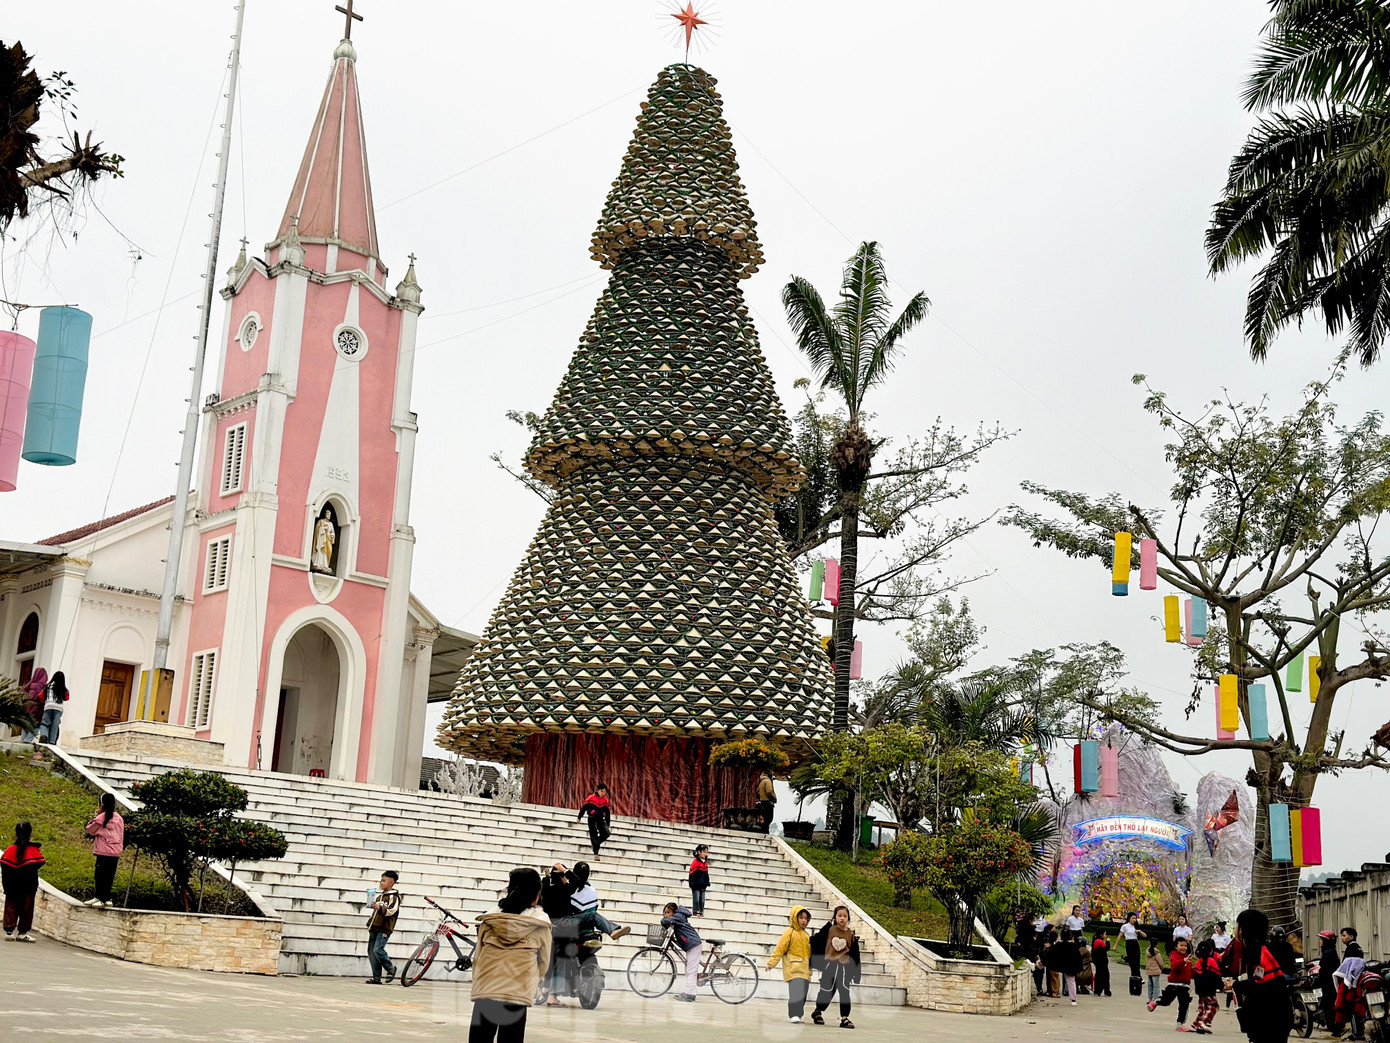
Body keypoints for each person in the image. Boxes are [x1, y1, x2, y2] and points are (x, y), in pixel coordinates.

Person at [470, 867, 551, 1043]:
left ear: (509, 890)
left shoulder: (490, 919)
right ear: (537, 894)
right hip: (518, 992)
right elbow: (544, 962)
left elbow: (478, 956)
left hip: (487, 988)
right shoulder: (540, 924)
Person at [1230, 908, 1294, 1043]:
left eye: (1238, 925)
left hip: (1271, 1018)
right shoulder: (1254, 950)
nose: (1236, 929)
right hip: (1267, 1018)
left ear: (1245, 929)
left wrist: (1236, 985)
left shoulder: (1259, 953)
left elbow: (1261, 984)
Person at [809, 906, 862, 1028]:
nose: (842, 918)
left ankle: (844, 1018)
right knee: (826, 990)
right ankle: (818, 1011)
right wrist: (828, 924)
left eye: (845, 916)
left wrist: (856, 973)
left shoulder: (851, 934)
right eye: (839, 915)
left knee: (844, 992)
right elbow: (816, 939)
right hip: (830, 966)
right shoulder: (830, 930)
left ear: (848, 918)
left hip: (844, 969)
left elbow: (855, 955)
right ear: (835, 917)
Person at [768, 905, 814, 1023]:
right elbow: (780, 949)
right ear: (794, 918)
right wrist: (771, 963)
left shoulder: (806, 935)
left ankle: (799, 1014)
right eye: (801, 918)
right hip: (793, 969)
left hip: (805, 970)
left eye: (806, 918)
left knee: (803, 994)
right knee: (795, 993)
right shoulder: (789, 933)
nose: (804, 921)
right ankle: (793, 1014)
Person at [1, 822, 44, 942]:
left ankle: (9, 932)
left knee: (11, 906)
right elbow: (38, 863)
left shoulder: (10, 850)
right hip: (28, 886)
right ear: (30, 833)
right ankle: (22, 932)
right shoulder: (33, 851)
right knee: (27, 909)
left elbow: (5, 866)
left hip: (11, 885)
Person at [567, 862, 630, 941]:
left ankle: (612, 930)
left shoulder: (569, 889)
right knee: (593, 915)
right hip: (587, 929)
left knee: (592, 916)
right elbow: (595, 907)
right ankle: (612, 930)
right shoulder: (592, 891)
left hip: (572, 927)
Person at [83, 793, 124, 908]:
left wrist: (96, 815)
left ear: (101, 805)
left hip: (103, 851)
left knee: (100, 875)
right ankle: (102, 897)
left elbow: (89, 829)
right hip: (115, 851)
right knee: (108, 876)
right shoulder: (119, 818)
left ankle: (103, 898)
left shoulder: (101, 818)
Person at [364, 869, 400, 984]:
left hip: (384, 928)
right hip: (374, 927)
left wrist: (380, 908)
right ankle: (376, 977)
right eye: (381, 880)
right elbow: (377, 912)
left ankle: (390, 968)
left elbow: (392, 911)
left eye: (384, 880)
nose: (381, 883)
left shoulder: (394, 897)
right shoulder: (380, 897)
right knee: (371, 952)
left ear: (392, 882)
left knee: (378, 949)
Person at [1149, 936, 1195, 1028]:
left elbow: (1189, 971)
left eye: (1185, 946)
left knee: (1184, 1005)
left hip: (1185, 985)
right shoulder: (1174, 955)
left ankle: (1180, 1024)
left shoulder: (1188, 958)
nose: (1184, 947)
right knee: (1166, 1001)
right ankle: (1157, 1001)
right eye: (1181, 945)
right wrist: (1183, 961)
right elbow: (1174, 966)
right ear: (1176, 947)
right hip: (1174, 984)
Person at [661, 901, 702, 1003]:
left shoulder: (678, 916)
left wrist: (664, 920)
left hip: (693, 944)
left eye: (668, 912)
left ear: (674, 912)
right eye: (665, 913)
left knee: (691, 970)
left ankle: (690, 995)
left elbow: (665, 921)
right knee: (689, 969)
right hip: (691, 945)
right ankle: (689, 992)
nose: (666, 915)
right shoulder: (677, 917)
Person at [1192, 938, 1224, 1034]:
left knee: (1203, 1007)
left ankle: (1198, 1025)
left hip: (1200, 988)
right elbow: (1216, 976)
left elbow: (1195, 975)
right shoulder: (1212, 961)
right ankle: (1203, 1022)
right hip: (1209, 988)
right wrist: (1221, 986)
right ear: (1211, 951)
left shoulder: (1199, 962)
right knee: (1213, 1006)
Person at [577, 784, 611, 859]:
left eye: (604, 792)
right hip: (592, 818)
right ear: (598, 790)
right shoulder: (591, 798)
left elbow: (607, 812)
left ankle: (596, 843)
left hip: (600, 819)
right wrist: (579, 817)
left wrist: (608, 823)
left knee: (607, 833)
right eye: (601, 791)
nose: (603, 793)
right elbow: (584, 808)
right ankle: (596, 853)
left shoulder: (605, 800)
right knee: (593, 834)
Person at [1318, 931, 1341, 1036]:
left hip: (1329, 982)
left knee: (1329, 1003)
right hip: (1330, 981)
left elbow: (1326, 970)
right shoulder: (1330, 951)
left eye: (1321, 940)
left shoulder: (1328, 953)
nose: (1319, 942)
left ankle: (1332, 1025)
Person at [37, 671, 68, 745]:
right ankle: (52, 741)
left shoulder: (48, 686)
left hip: (48, 706)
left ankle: (44, 735)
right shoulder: (63, 688)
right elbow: (67, 697)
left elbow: (41, 696)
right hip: (58, 708)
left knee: (45, 724)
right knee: (55, 725)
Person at [1054, 928, 1083, 1005]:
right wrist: (1079, 968)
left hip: (1060, 964)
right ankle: (1073, 999)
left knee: (1048, 960)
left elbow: (1051, 955)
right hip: (1070, 966)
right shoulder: (1073, 946)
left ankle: (1037, 965)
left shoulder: (1058, 945)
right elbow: (1078, 958)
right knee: (1071, 981)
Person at [18, 668, 46, 742]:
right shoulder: (44, 686)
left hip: (27, 707)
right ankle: (27, 741)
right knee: (35, 727)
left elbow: (21, 692)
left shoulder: (30, 684)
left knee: (25, 726)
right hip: (37, 709)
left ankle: (23, 741)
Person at [1122, 911, 1147, 980]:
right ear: (1129, 918)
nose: (1134, 920)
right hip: (1129, 943)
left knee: (1137, 961)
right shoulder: (1125, 926)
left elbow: (1145, 936)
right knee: (1132, 962)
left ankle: (1138, 977)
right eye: (1132, 918)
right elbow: (1120, 935)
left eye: (1135, 918)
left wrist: (1140, 932)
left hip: (1135, 943)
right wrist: (1115, 945)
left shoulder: (1135, 927)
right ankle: (1134, 976)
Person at [687, 845, 710, 916]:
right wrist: (692, 883)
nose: (705, 854)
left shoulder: (705, 862)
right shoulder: (695, 862)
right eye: (704, 852)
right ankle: (696, 910)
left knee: (702, 900)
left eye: (706, 852)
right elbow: (692, 874)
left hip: (702, 884)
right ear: (699, 852)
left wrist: (707, 882)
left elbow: (706, 873)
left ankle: (701, 911)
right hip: (696, 884)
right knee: (696, 899)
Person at [1092, 931, 1112, 997]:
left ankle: (1098, 991)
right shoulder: (1099, 941)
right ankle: (1105, 991)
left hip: (1099, 962)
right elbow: (1105, 949)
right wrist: (1108, 942)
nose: (1105, 935)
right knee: (1104, 976)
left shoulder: (1096, 940)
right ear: (1101, 935)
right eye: (1105, 934)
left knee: (1099, 976)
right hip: (1101, 962)